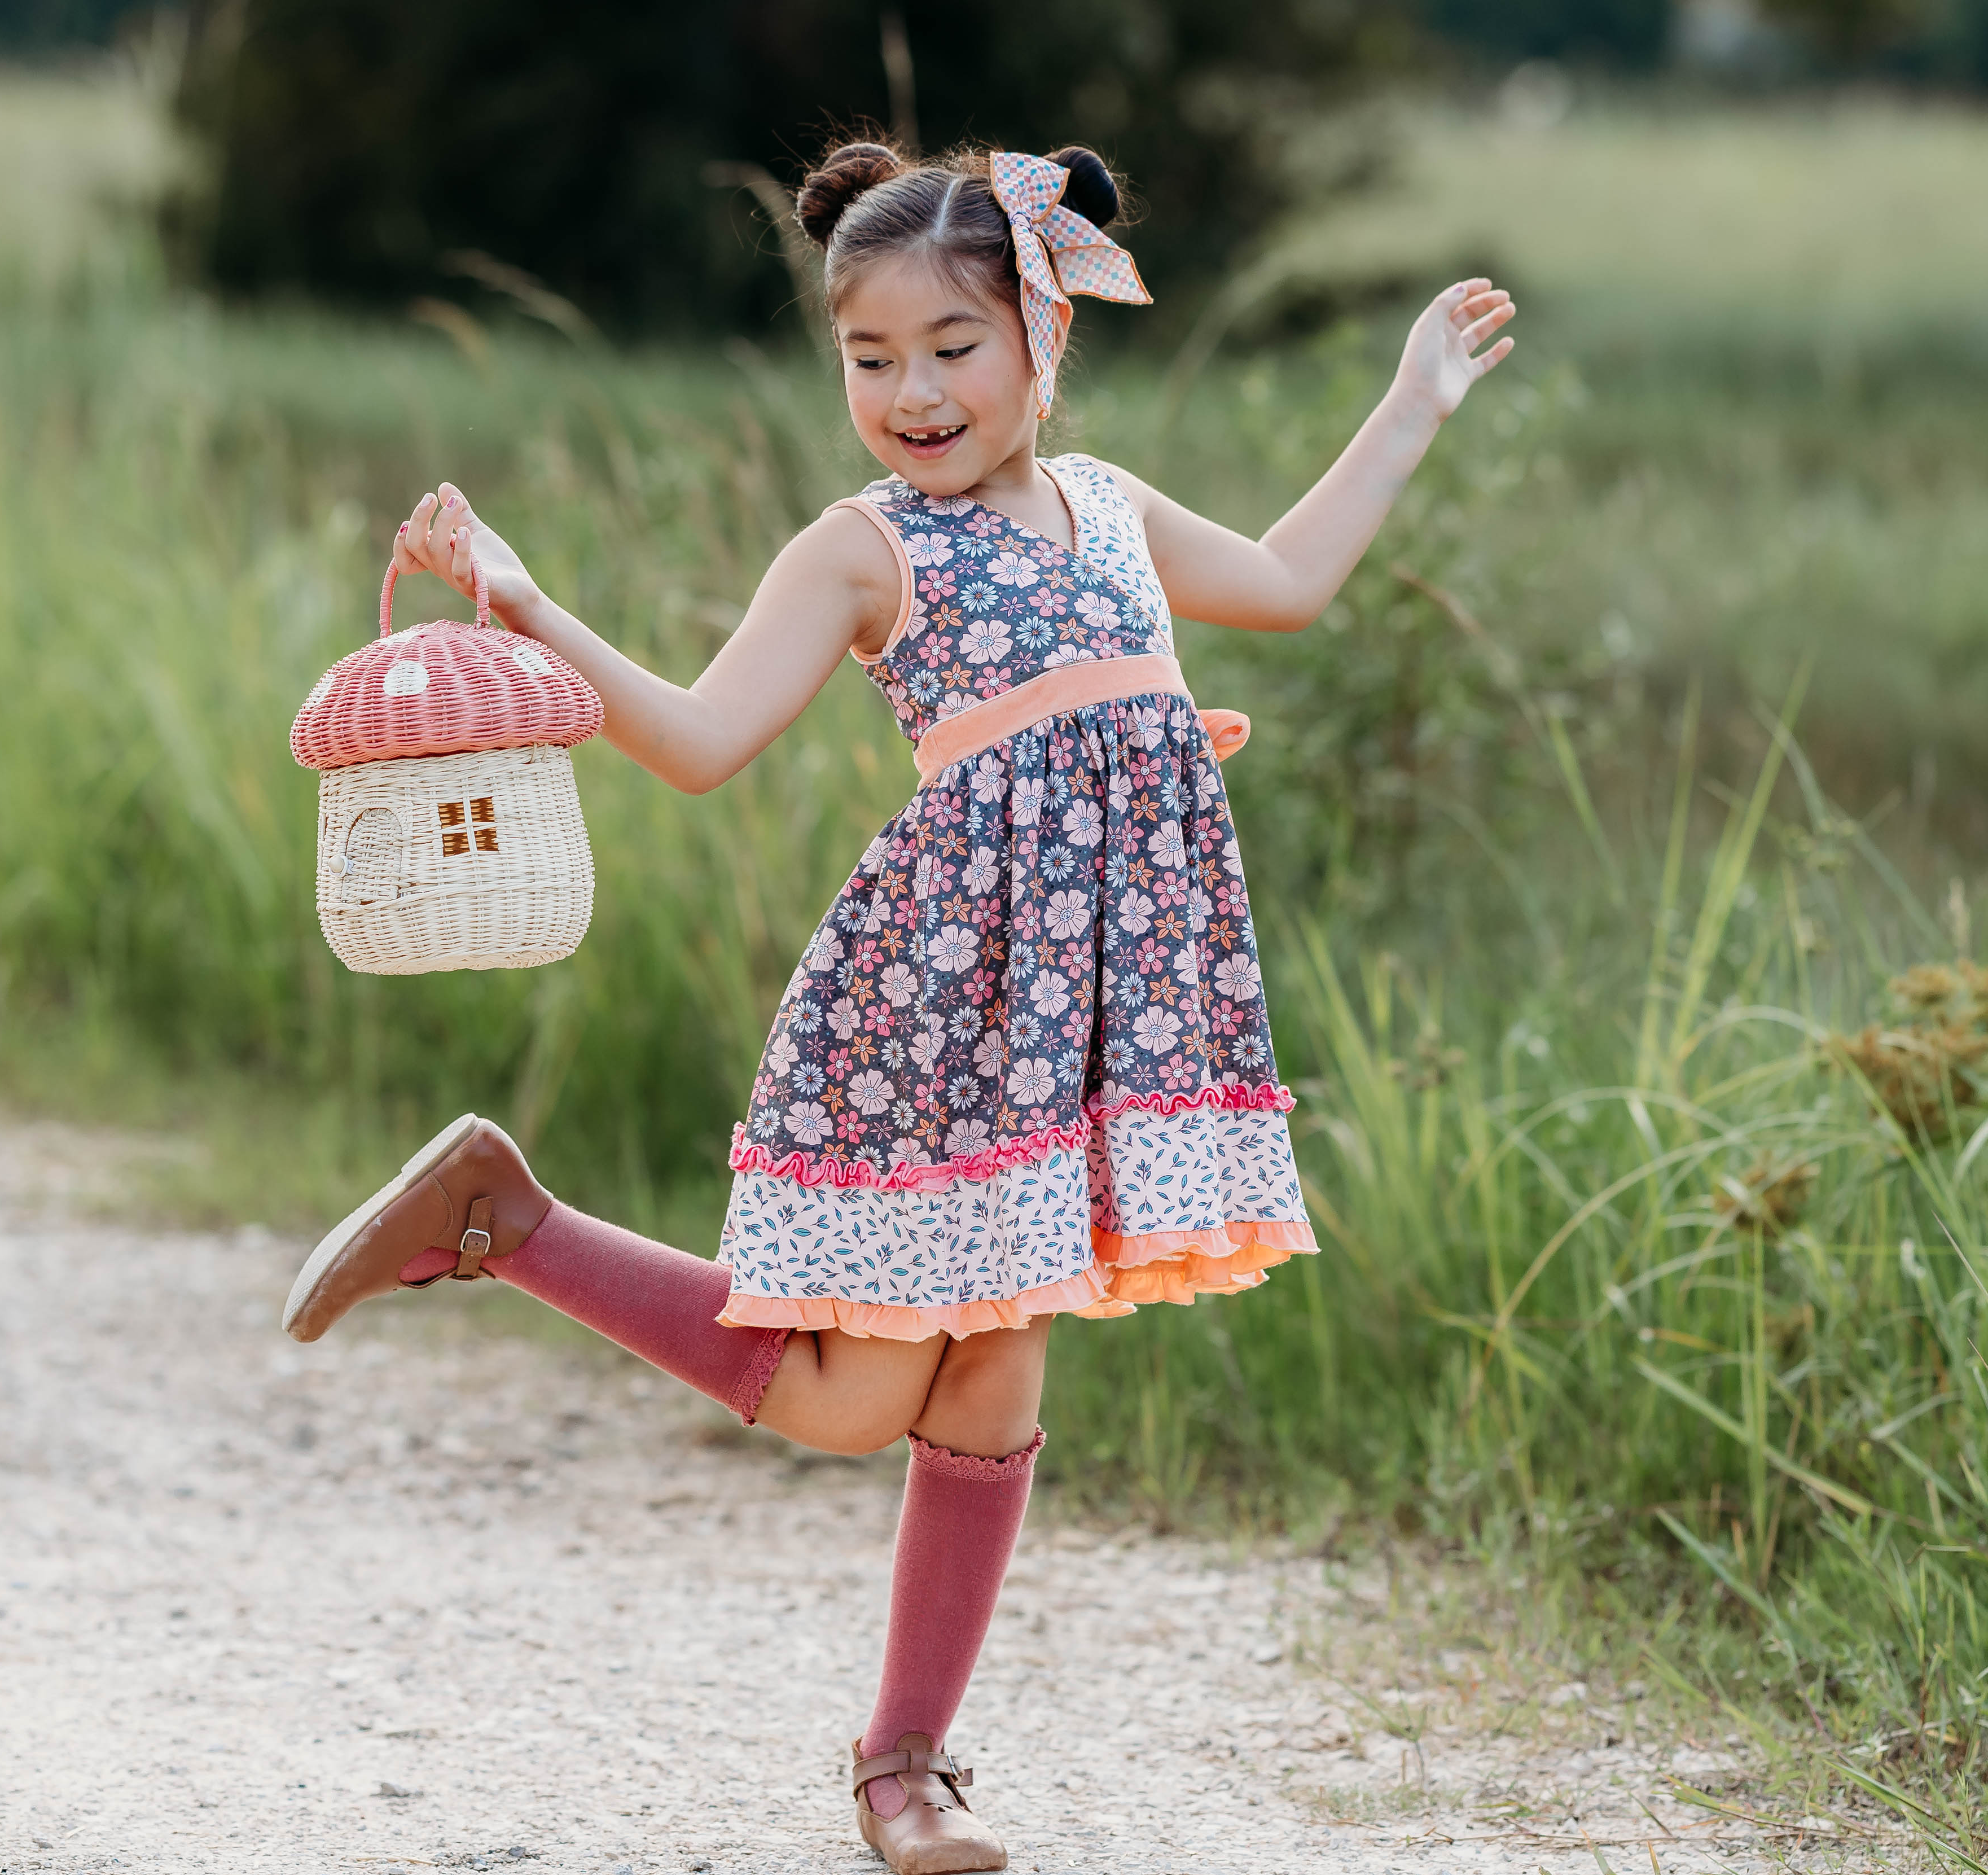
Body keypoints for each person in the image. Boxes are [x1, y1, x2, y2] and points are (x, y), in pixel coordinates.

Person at [282, 138, 1515, 1874]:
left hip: (1098, 1022)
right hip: (936, 1013)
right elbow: (704, 744)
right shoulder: (864, 553)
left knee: (998, 1370)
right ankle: (509, 1220)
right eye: (870, 359)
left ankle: (907, 1769)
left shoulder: (1116, 511)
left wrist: (1413, 400)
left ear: (1041, 338)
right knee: (854, 1402)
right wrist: (531, 601)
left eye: (952, 346)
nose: (912, 392)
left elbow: (1294, 585)